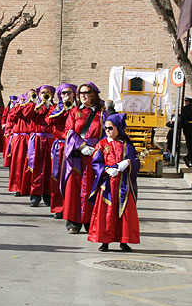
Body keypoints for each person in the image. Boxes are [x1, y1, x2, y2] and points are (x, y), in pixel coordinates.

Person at [88, 113, 140, 252]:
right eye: (106, 128)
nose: (107, 131)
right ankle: (105, 242)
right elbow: (96, 162)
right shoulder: (102, 144)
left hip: (124, 185)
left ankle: (124, 241)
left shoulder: (127, 144)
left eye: (110, 128)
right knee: (107, 214)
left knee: (124, 214)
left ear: (118, 128)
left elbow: (136, 161)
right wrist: (106, 170)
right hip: (108, 185)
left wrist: (127, 163)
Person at [61, 82, 107, 233]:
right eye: (80, 93)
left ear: (93, 94)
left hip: (95, 156)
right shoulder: (74, 112)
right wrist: (81, 146)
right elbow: (69, 131)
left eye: (86, 93)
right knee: (74, 189)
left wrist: (98, 149)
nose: (82, 96)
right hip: (77, 156)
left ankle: (90, 222)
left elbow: (107, 134)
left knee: (92, 189)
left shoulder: (102, 114)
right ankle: (73, 222)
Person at [46, 83, 76, 218]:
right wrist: (61, 109)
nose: (66, 95)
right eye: (63, 93)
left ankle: (71, 207)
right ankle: (58, 207)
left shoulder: (78, 109)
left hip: (74, 147)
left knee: (72, 179)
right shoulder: (55, 108)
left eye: (68, 93)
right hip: (60, 146)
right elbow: (48, 122)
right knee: (57, 177)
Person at [24, 85, 56, 207]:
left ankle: (48, 195)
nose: (45, 95)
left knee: (49, 169)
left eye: (48, 93)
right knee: (36, 168)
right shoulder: (33, 106)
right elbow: (25, 115)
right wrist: (36, 106)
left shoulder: (54, 107)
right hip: (36, 139)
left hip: (50, 140)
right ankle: (35, 195)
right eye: (43, 93)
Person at [180, 96, 192, 168]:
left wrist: (182, 127)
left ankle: (189, 158)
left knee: (190, 145)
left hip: (188, 128)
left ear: (187, 101)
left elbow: (183, 120)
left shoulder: (185, 109)